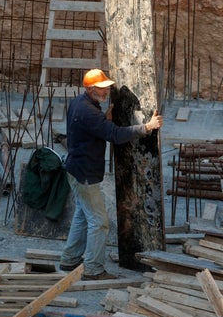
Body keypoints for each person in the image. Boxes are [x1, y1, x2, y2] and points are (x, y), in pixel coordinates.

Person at [59, 68, 163, 280]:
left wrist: (103, 120)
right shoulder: (89, 111)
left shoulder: (81, 103)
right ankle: (93, 269)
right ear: (89, 89)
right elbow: (114, 135)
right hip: (85, 173)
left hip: (77, 169)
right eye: (101, 89)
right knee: (99, 221)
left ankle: (69, 259)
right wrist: (146, 127)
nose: (106, 92)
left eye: (107, 88)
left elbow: (96, 130)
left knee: (82, 214)